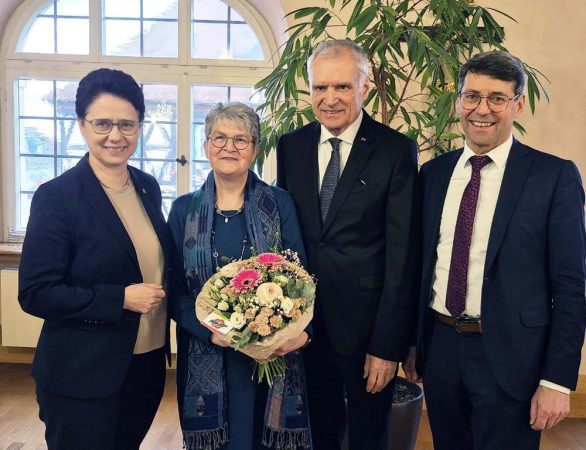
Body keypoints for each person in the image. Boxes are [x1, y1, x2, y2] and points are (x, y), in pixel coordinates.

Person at [403, 51, 586, 450]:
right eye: (472, 96)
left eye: (497, 98)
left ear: (518, 105)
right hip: (441, 349)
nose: (482, 109)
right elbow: (421, 265)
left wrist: (557, 380)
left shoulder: (554, 177)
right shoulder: (434, 174)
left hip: (513, 357)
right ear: (458, 103)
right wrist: (414, 343)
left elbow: (571, 286)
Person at [276, 39, 420, 450]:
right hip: (304, 326)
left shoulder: (395, 150)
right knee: (317, 432)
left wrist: (387, 346)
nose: (330, 98)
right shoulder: (291, 146)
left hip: (366, 331)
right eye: (320, 87)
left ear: (365, 87)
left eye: (342, 86)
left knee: (368, 437)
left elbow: (402, 256)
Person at [18, 68, 172, 449]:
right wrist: (119, 298)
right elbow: (36, 292)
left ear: (139, 126)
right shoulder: (57, 197)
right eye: (102, 124)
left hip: (145, 365)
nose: (115, 136)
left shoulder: (147, 187)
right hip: (81, 376)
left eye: (127, 124)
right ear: (82, 125)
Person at [168, 102, 311, 449]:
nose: (228, 147)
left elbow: (301, 280)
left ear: (255, 149)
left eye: (240, 139)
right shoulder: (183, 210)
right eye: (219, 138)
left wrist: (287, 333)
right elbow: (174, 291)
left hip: (270, 354)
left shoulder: (279, 203)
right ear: (206, 146)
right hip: (208, 348)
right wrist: (215, 331)